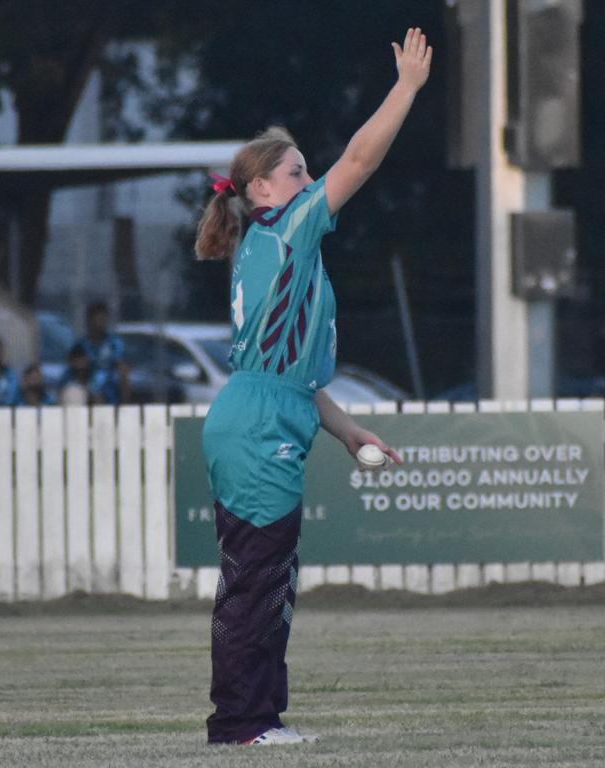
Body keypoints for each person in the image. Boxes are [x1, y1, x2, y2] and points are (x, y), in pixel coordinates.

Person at [194, 28, 429, 746]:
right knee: (257, 582)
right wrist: (407, 88)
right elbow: (360, 159)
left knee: (269, 579)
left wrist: (348, 429)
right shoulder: (286, 228)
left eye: (304, 172)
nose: (309, 179)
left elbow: (293, 377)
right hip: (257, 420)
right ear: (261, 190)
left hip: (273, 408)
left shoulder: (277, 245)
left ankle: (256, 714)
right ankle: (241, 722)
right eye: (296, 171)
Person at [74, 300, 130, 404]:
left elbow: (122, 369)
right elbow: (77, 371)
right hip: (88, 393)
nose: (102, 322)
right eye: (98, 319)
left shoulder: (114, 343)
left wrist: (125, 399)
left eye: (104, 318)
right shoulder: (81, 345)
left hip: (111, 393)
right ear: (89, 320)